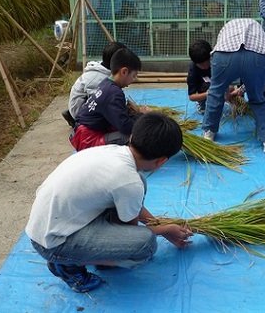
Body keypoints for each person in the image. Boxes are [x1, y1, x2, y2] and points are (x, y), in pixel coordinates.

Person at [26, 112, 191, 293]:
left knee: (139, 182)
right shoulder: (128, 181)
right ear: (161, 161)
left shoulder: (113, 151)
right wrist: (167, 230)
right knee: (146, 245)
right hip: (53, 242)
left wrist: (159, 224)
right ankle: (66, 264)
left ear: (132, 137)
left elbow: (132, 206)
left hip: (49, 224)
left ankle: (99, 253)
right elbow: (133, 229)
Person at [201, 18, 265, 154]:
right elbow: (251, 79)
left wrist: (225, 93)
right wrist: (244, 89)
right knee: (258, 100)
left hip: (226, 55)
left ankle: (209, 133)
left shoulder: (227, 26)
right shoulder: (257, 26)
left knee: (215, 93)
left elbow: (221, 85)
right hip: (259, 56)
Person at [70, 47, 148, 151]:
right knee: (134, 138)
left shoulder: (106, 82)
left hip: (81, 133)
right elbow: (126, 127)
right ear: (124, 71)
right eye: (133, 76)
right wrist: (141, 116)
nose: (133, 80)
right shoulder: (114, 93)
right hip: (87, 139)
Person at [62, 41, 127, 128]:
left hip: (80, 103)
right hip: (81, 112)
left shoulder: (103, 68)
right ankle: (77, 120)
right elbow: (99, 101)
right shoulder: (98, 79)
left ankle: (72, 115)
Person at [187, 39, 212, 114]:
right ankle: (201, 104)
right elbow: (192, 96)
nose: (206, 66)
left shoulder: (216, 61)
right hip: (205, 90)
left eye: (207, 62)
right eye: (202, 64)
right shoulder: (193, 72)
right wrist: (207, 94)